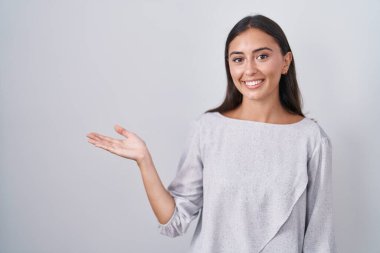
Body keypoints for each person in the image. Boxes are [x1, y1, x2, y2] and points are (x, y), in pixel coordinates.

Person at [86, 14, 337, 253]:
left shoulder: (310, 138)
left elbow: (319, 238)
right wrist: (144, 161)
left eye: (261, 56)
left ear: (285, 62)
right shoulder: (207, 129)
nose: (249, 70)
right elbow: (175, 220)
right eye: (238, 59)